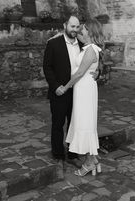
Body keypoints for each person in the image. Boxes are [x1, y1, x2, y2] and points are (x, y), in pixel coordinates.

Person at [57, 18, 105, 176]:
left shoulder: (91, 49)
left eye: (82, 28)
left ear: (90, 32)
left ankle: (90, 162)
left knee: (85, 123)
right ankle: (94, 158)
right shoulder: (88, 47)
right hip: (82, 89)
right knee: (84, 122)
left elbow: (79, 73)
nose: (79, 31)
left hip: (84, 89)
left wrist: (66, 87)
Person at [43, 15, 83, 167]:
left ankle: (72, 153)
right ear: (65, 25)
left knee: (74, 123)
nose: (75, 29)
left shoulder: (82, 44)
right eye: (72, 26)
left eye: (77, 27)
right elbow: (47, 67)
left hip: (77, 91)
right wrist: (55, 86)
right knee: (58, 124)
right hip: (60, 91)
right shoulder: (53, 44)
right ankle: (58, 154)